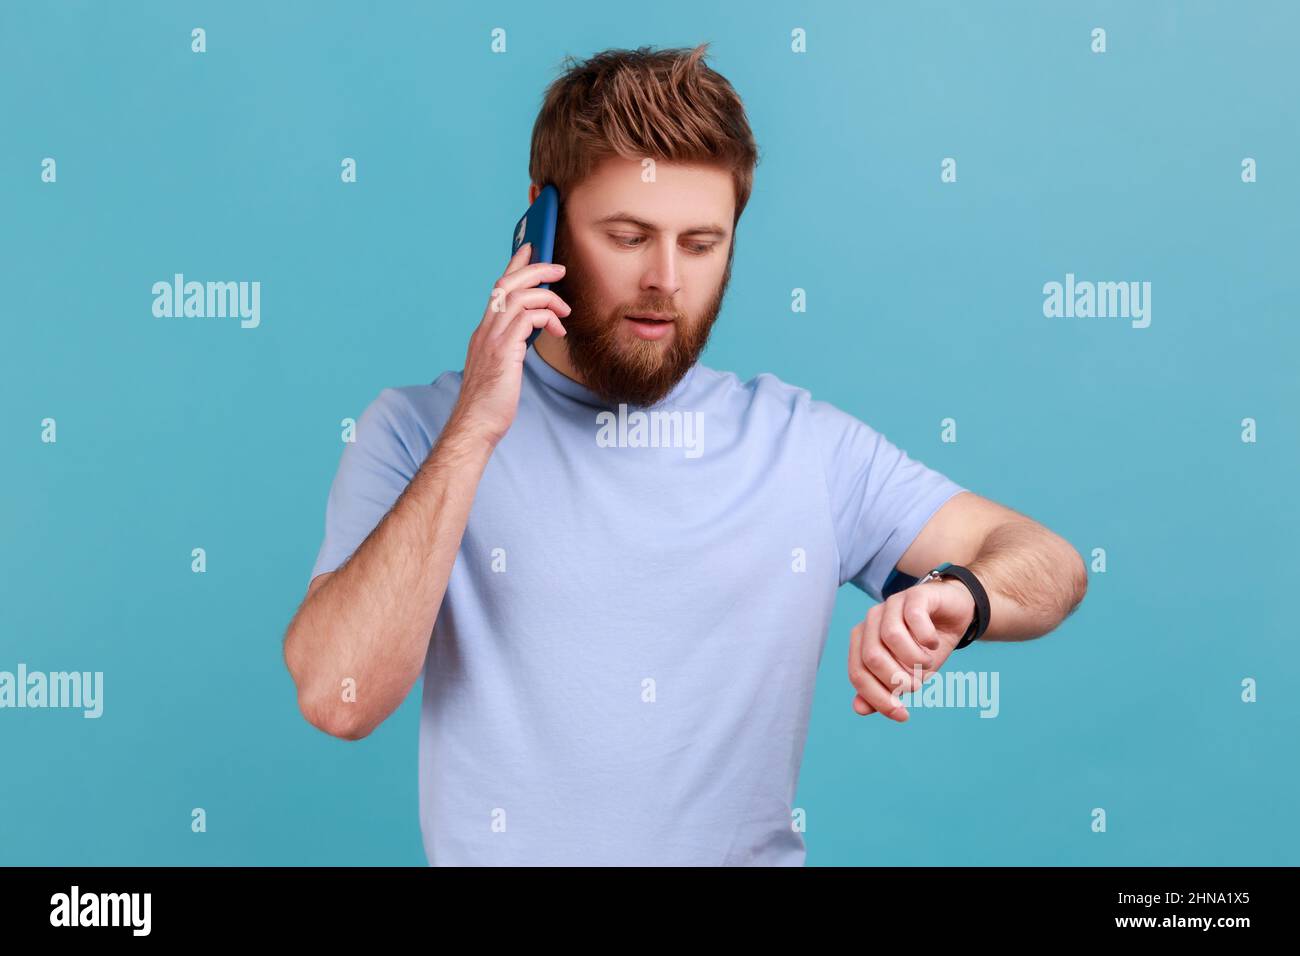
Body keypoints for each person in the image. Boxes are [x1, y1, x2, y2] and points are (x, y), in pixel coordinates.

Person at [283, 44, 1087, 866]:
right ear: (541, 220)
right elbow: (336, 696)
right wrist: (475, 432)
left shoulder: (802, 446)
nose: (666, 280)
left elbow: (1052, 565)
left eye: (702, 244)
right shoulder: (420, 433)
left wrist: (963, 595)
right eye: (628, 236)